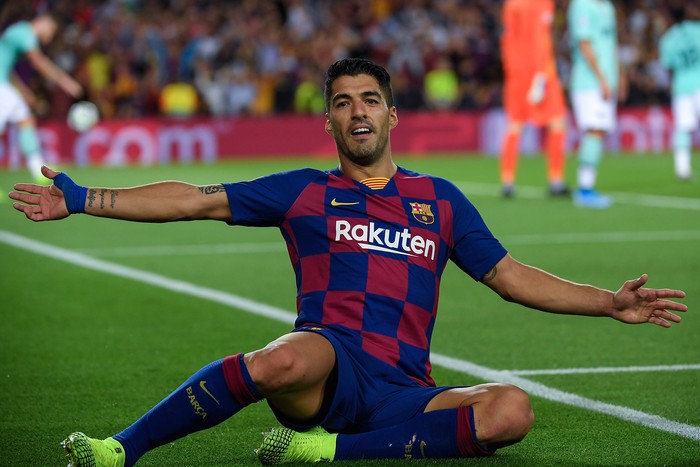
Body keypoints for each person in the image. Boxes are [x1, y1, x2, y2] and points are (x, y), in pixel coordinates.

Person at [9, 58, 687, 466]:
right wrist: (82, 197)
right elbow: (193, 198)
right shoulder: (304, 189)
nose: (356, 112)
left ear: (393, 116)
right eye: (342, 103)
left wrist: (608, 300)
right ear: (329, 124)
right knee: (278, 359)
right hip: (325, 367)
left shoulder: (440, 201)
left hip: (405, 390)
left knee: (511, 409)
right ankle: (120, 448)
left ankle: (326, 453)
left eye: (368, 100)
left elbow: (509, 276)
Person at [0, 14, 82, 183]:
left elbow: (6, 68)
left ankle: (38, 170)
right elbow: (38, 61)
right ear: (44, 24)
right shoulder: (25, 32)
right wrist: (66, 82)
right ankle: (38, 169)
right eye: (50, 33)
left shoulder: (17, 32)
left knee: (25, 119)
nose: (49, 39)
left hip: (3, 84)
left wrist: (22, 90)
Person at [499, 0, 569, 198]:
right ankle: (556, 180)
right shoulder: (542, 4)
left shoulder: (511, 5)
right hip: (539, 72)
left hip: (515, 74)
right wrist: (540, 76)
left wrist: (512, 72)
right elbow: (540, 40)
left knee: (515, 125)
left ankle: (507, 181)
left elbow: (507, 39)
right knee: (557, 123)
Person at [567, 0, 626, 208]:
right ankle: (584, 189)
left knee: (598, 131)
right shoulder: (582, 5)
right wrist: (601, 77)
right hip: (589, 82)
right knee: (594, 130)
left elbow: (612, 45)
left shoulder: (608, 8)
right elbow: (584, 43)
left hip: (605, 81)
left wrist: (619, 75)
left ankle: (586, 187)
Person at [659, 4, 700, 181]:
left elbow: (667, 65)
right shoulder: (696, 29)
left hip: (681, 85)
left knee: (683, 128)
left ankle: (682, 168)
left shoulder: (667, 39)